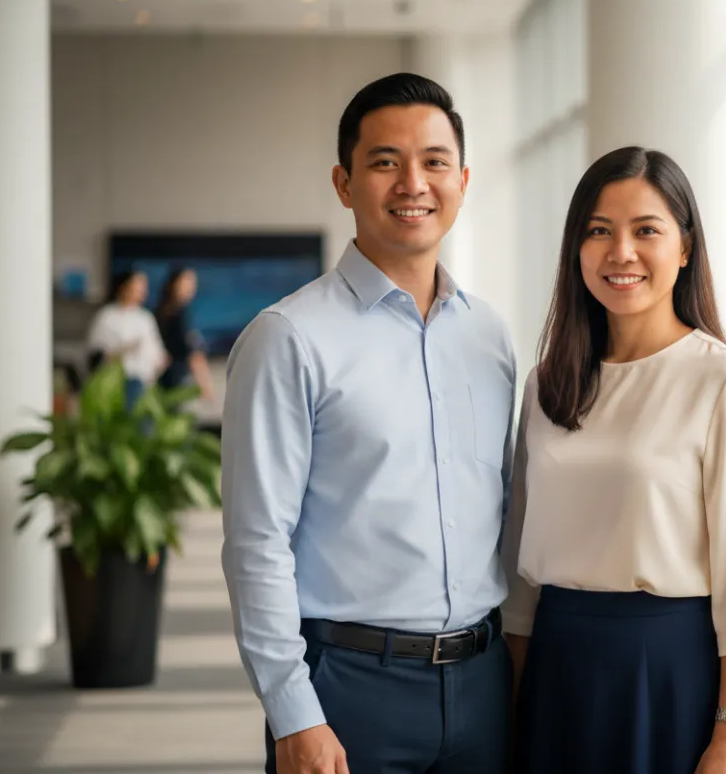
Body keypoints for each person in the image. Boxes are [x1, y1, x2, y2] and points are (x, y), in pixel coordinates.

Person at [221, 73, 517, 774]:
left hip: (484, 682)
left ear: (464, 180)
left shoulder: (490, 337)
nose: (413, 182)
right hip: (350, 689)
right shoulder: (289, 337)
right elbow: (256, 544)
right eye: (385, 161)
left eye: (434, 162)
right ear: (344, 182)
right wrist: (294, 713)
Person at [501, 147, 726, 774]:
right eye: (598, 231)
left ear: (685, 248)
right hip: (558, 667)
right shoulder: (547, 385)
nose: (619, 252)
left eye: (646, 231)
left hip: (670, 676)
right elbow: (520, 571)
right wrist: (513, 703)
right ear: (576, 250)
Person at [85, 269, 167, 408]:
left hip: (145, 383)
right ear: (124, 287)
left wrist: (160, 361)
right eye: (138, 285)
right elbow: (96, 354)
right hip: (118, 383)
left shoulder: (145, 318)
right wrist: (121, 351)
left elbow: (157, 352)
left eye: (144, 286)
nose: (142, 290)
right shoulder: (107, 317)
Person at [153, 267, 216, 404]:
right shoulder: (175, 315)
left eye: (194, 282)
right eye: (187, 281)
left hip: (164, 381)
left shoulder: (173, 311)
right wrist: (204, 384)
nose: (192, 287)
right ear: (174, 283)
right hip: (170, 381)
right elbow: (193, 352)